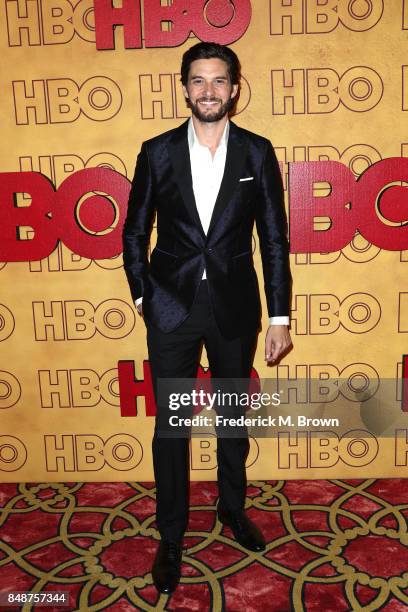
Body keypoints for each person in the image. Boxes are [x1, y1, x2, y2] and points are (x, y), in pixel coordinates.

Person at [122, 42, 292, 594]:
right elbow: (133, 231)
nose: (209, 91)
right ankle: (170, 535)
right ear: (185, 87)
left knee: (231, 419)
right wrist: (144, 297)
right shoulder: (157, 151)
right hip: (169, 307)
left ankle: (231, 508)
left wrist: (280, 315)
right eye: (199, 81)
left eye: (219, 81)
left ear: (235, 88)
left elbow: (273, 239)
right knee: (171, 426)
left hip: (235, 307)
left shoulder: (257, 153)